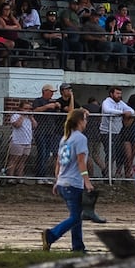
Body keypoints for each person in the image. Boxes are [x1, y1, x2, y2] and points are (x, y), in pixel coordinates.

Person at [41, 108, 93, 253]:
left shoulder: (65, 138)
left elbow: (58, 162)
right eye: (85, 119)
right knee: (76, 217)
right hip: (73, 183)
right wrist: (87, 181)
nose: (86, 122)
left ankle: (78, 247)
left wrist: (57, 180)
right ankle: (51, 235)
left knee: (76, 216)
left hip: (64, 182)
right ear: (79, 122)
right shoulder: (80, 138)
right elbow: (81, 161)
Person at [5, 100, 35, 184]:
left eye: (29, 109)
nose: (28, 110)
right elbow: (17, 125)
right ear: (20, 108)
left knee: (22, 161)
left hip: (27, 141)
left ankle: (19, 177)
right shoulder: (16, 116)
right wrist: (22, 116)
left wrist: (31, 117)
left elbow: (35, 126)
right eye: (25, 108)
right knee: (14, 160)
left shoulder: (29, 118)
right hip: (17, 141)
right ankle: (10, 177)